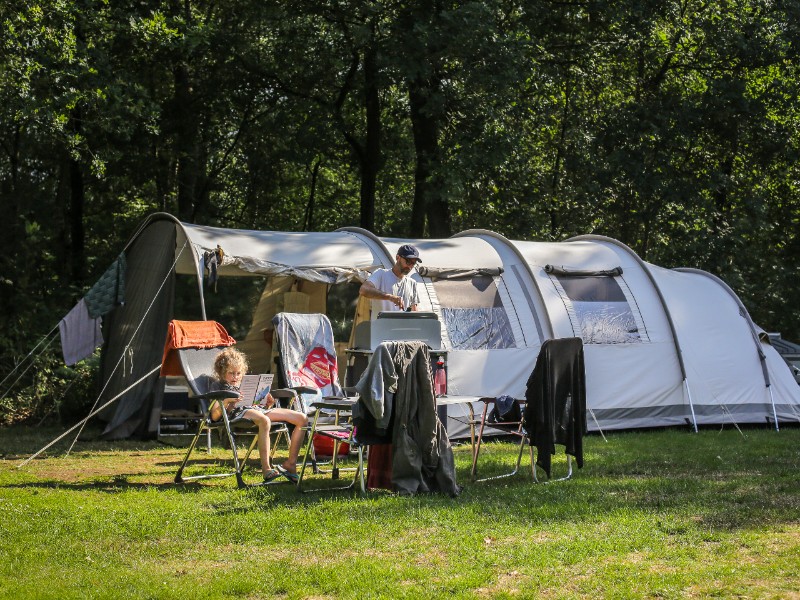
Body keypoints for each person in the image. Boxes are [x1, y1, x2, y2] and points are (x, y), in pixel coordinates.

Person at [209, 347, 307, 484]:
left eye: (238, 373)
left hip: (256, 409)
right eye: (231, 373)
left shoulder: (244, 383)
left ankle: (290, 464)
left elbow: (258, 405)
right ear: (222, 372)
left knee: (302, 418)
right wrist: (226, 401)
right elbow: (214, 416)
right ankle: (266, 469)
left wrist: (268, 403)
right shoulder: (218, 385)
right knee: (264, 420)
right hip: (238, 413)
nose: (235, 377)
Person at [359, 244, 422, 317]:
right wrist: (390, 297)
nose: (410, 266)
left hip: (403, 328)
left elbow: (415, 311)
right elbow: (363, 290)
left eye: (413, 263)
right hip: (381, 327)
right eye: (408, 261)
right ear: (397, 257)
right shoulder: (381, 274)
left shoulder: (412, 283)